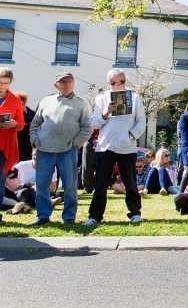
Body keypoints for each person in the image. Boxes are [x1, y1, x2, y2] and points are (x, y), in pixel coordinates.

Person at [29, 72, 93, 226]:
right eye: (63, 82)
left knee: (70, 185)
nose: (67, 84)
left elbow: (87, 127)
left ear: (74, 83)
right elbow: (35, 123)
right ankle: (43, 216)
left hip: (67, 151)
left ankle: (69, 217)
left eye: (69, 81)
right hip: (44, 149)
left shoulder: (81, 103)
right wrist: (34, 141)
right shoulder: (46, 101)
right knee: (42, 184)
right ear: (55, 84)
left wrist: (76, 143)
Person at [84, 69, 147, 226]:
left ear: (126, 81)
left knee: (131, 183)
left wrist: (131, 136)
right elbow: (94, 123)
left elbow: (141, 122)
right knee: (100, 184)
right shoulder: (101, 99)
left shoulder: (136, 98)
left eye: (121, 82)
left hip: (127, 148)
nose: (118, 85)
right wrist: (106, 113)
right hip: (105, 147)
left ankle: (135, 213)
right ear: (108, 84)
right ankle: (95, 216)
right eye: (114, 83)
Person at [0, 67, 25, 224]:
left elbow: (21, 124)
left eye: (5, 83)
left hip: (5, 145)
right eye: (0, 82)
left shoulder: (15, 99)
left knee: (0, 179)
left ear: (10, 82)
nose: (2, 86)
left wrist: (15, 124)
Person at [15, 90, 35, 161]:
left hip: (31, 145)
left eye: (21, 104)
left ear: (25, 102)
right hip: (19, 145)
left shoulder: (34, 113)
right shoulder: (13, 115)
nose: (19, 107)